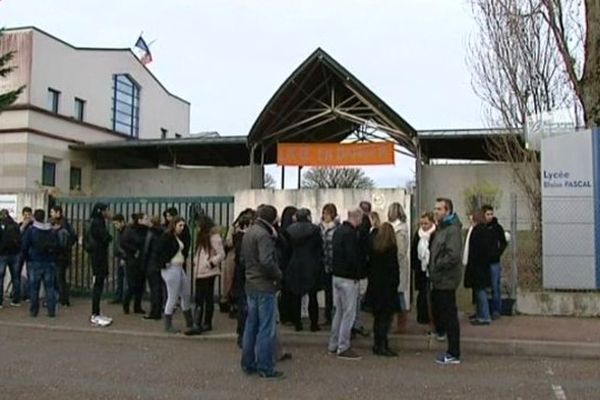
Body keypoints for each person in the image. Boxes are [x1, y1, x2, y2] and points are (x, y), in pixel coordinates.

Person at [240, 204, 284, 379]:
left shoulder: (249, 232)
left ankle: (248, 363)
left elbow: (244, 259)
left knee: (251, 326)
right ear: (272, 219)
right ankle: (265, 367)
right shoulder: (264, 235)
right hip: (264, 285)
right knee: (266, 327)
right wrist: (278, 274)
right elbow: (266, 261)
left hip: (251, 283)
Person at [328, 208, 365, 361]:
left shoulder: (338, 231)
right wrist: (359, 273)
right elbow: (352, 257)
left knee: (339, 312)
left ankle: (333, 343)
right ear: (357, 218)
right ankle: (343, 346)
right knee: (349, 313)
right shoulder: (350, 234)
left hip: (336, 276)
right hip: (348, 279)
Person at [430, 198, 463, 365]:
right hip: (439, 279)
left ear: (448, 210)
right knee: (444, 313)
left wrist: (437, 265)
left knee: (450, 316)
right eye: (435, 209)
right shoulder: (441, 229)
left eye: (439, 209)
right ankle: (451, 350)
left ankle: (453, 352)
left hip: (447, 279)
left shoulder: (452, 230)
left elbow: (453, 255)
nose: (436, 212)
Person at [365, 216, 400, 357]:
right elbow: (394, 271)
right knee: (386, 319)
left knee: (377, 318)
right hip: (387, 289)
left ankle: (376, 344)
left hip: (375, 287)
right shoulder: (391, 249)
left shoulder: (375, 247)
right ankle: (383, 345)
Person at [286, 208, 323, 332]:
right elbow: (319, 249)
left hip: (295, 264)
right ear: (308, 216)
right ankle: (314, 324)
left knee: (296, 296)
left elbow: (287, 249)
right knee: (313, 297)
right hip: (311, 264)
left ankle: (298, 323)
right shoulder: (315, 230)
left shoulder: (289, 230)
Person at [156, 217, 193, 334]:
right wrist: (164, 262)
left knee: (186, 294)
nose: (182, 228)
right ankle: (168, 324)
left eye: (183, 225)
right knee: (173, 296)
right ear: (174, 225)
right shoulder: (166, 237)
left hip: (179, 267)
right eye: (180, 225)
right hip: (171, 268)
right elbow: (159, 251)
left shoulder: (178, 237)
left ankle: (189, 321)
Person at [411, 212, 444, 338]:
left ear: (431, 222)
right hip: (421, 269)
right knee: (422, 294)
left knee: (432, 297)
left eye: (426, 223)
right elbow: (414, 251)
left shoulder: (436, 234)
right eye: (422, 223)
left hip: (432, 269)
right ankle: (423, 318)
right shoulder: (418, 235)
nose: (423, 226)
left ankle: (433, 321)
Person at [21, 209, 58, 317]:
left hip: (34, 261)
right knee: (50, 287)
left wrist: (27, 258)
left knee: (34, 288)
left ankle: (34, 311)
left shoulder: (31, 230)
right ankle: (51, 311)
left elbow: (24, 246)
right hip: (49, 262)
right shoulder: (51, 230)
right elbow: (56, 245)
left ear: (35, 217)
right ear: (44, 217)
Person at [192, 215, 225, 333]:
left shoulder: (214, 237)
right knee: (199, 298)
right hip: (200, 271)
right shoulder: (202, 237)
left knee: (207, 298)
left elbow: (221, 254)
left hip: (208, 271)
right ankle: (198, 322)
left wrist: (210, 263)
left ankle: (206, 322)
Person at [231, 209, 257, 348]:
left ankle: (242, 334)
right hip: (246, 275)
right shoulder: (245, 238)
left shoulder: (238, 236)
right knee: (246, 307)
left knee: (244, 306)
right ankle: (243, 335)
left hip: (241, 275)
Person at [463, 210, 492, 326]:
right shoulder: (483, 230)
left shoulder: (477, 231)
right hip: (482, 266)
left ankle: (485, 316)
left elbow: (475, 250)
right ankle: (481, 315)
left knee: (480, 292)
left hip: (477, 267)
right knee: (479, 291)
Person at [88, 203, 113, 327]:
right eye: (106, 210)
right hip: (98, 257)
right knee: (98, 285)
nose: (108, 212)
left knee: (100, 284)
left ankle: (97, 311)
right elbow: (106, 237)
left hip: (99, 256)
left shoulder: (98, 222)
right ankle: (94, 314)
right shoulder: (97, 223)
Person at [120, 213, 150, 315]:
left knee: (141, 285)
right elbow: (123, 243)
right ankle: (126, 304)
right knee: (132, 285)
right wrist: (133, 250)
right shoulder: (130, 230)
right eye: (145, 218)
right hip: (132, 261)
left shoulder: (146, 231)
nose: (147, 220)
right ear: (139, 220)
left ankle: (137, 306)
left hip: (142, 260)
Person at [482, 205, 508, 320]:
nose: (490, 217)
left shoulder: (497, 228)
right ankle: (483, 309)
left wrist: (497, 253)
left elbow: (503, 242)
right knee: (482, 287)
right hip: (482, 262)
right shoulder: (481, 228)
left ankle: (496, 310)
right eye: (488, 214)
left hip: (494, 262)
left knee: (495, 286)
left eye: (491, 214)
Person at [388, 202, 410, 334]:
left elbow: (400, 252)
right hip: (397, 266)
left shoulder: (400, 230)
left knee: (399, 294)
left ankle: (401, 324)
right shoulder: (399, 228)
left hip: (398, 267)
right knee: (397, 294)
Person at [352, 201, 372, 338]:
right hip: (361, 268)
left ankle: (353, 325)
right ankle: (356, 325)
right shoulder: (365, 226)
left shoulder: (354, 229)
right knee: (357, 299)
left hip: (355, 269)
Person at [49, 206, 76, 307]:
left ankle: (63, 299)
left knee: (59, 278)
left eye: (52, 212)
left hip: (59, 256)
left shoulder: (61, 226)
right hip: (64, 256)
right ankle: (62, 298)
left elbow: (61, 243)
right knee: (61, 278)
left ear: (58, 213)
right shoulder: (67, 224)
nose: (51, 214)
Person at [319, 203, 340, 325]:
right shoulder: (320, 227)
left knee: (335, 291)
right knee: (327, 291)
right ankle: (328, 316)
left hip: (334, 262)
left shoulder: (337, 228)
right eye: (324, 213)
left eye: (327, 213)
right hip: (324, 262)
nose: (325, 216)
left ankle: (335, 315)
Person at [142, 216, 164, 321]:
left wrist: (143, 263)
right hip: (160, 263)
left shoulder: (150, 233)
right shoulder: (163, 233)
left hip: (151, 264)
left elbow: (146, 250)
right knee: (159, 288)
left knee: (154, 289)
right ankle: (159, 310)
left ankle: (154, 312)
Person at [278, 206, 297, 325]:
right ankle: (291, 316)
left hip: (282, 265)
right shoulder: (292, 232)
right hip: (291, 265)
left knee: (284, 292)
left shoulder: (280, 232)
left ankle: (284, 316)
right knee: (292, 293)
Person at [0, 209, 23, 308]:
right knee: (16, 277)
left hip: (2, 254)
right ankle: (16, 300)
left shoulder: (1, 225)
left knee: (0, 277)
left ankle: (0, 301)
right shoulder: (15, 225)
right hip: (16, 254)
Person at [110, 214, 127, 305]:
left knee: (124, 279)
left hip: (124, 257)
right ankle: (119, 296)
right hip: (120, 257)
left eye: (117, 223)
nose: (116, 226)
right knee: (120, 278)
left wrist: (123, 257)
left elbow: (125, 246)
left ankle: (123, 297)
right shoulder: (120, 231)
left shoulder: (126, 231)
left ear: (122, 222)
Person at [17, 207, 33, 302]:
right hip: (20, 251)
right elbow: (18, 234)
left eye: (29, 215)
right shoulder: (20, 225)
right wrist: (24, 224)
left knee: (30, 273)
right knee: (17, 272)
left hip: (30, 252)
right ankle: (18, 293)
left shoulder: (34, 225)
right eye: (25, 215)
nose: (27, 217)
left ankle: (29, 295)